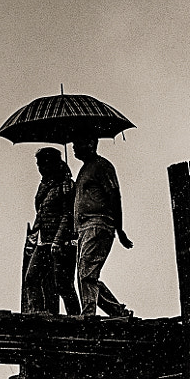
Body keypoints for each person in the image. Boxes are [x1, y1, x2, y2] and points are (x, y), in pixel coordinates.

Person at [71, 135, 135, 319]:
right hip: (84, 227)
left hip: (98, 224)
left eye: (79, 142)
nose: (75, 147)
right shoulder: (84, 170)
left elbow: (114, 195)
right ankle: (117, 312)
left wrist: (119, 228)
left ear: (91, 143)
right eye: (75, 144)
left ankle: (88, 315)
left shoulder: (102, 166)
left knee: (86, 272)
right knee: (86, 273)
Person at [22, 148, 81, 315]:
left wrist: (58, 240)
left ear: (52, 164)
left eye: (42, 164)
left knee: (63, 284)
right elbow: (40, 213)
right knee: (32, 278)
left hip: (62, 242)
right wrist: (34, 237)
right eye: (38, 164)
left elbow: (67, 216)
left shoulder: (66, 185)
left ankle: (75, 318)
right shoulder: (44, 185)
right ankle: (37, 313)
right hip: (43, 241)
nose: (39, 168)